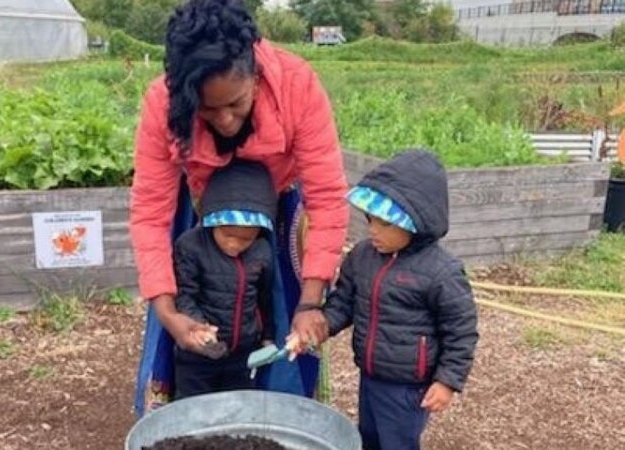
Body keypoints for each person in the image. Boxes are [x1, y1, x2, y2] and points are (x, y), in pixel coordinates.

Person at [132, 0, 349, 415]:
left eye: (236, 102)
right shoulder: (161, 102)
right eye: (208, 109)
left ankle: (287, 410)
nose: (226, 120)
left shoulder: (297, 85)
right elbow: (150, 213)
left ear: (256, 74)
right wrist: (167, 311)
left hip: (279, 205)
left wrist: (310, 301)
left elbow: (326, 199)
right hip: (201, 209)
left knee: (283, 314)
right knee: (192, 313)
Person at [295, 150, 479, 450]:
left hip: (408, 387)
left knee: (397, 443)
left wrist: (447, 381)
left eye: (385, 224)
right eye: (371, 220)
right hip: (370, 375)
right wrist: (323, 324)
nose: (373, 230)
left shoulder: (441, 272)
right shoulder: (363, 257)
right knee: (369, 439)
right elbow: (344, 303)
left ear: (417, 222)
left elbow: (461, 332)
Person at [172, 159, 276, 399]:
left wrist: (267, 336)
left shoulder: (262, 252)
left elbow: (265, 297)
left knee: (236, 411)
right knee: (193, 409)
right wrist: (199, 328)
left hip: (243, 352)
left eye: (246, 239)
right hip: (198, 350)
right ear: (212, 220)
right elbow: (184, 295)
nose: (235, 244)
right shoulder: (190, 247)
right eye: (228, 235)